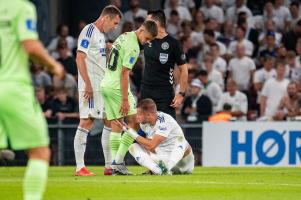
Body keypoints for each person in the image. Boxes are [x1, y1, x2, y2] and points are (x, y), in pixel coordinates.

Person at [0, 0, 64, 200]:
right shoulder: (21, 7)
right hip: (12, 86)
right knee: (39, 152)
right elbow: (31, 46)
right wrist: (54, 66)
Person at [101, 20, 158, 175]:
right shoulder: (133, 46)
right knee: (134, 121)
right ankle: (118, 162)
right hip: (117, 87)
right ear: (141, 30)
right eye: (147, 39)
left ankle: (115, 166)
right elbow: (125, 73)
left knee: (116, 124)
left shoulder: (124, 35)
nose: (147, 43)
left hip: (106, 84)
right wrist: (125, 99)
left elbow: (115, 53)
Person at [74, 5, 122, 176]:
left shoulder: (100, 36)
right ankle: (80, 167)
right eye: (115, 23)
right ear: (106, 18)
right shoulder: (89, 30)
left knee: (110, 121)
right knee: (87, 121)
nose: (115, 27)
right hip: (91, 86)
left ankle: (109, 166)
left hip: (101, 85)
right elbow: (80, 58)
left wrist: (107, 49)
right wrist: (87, 84)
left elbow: (96, 58)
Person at [116, 98, 194, 175]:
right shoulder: (143, 124)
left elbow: (151, 146)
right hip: (162, 159)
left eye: (139, 114)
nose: (137, 117)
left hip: (182, 163)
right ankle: (158, 171)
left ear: (148, 115)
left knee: (181, 141)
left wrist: (129, 131)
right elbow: (147, 145)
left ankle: (166, 168)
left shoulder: (165, 121)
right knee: (133, 147)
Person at [140, 10, 188, 119]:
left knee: (167, 127)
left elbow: (184, 70)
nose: (144, 25)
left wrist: (181, 94)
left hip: (164, 93)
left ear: (156, 23)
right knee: (144, 125)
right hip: (146, 90)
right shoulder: (145, 39)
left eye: (147, 21)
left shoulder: (173, 43)